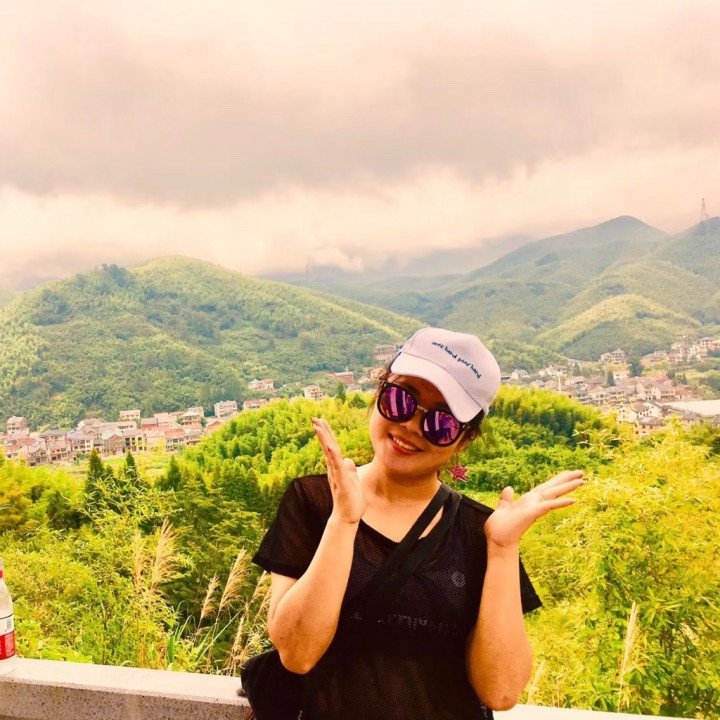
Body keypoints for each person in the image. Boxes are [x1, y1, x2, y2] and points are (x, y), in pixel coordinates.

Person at [252, 327, 584, 719]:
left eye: (441, 422)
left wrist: (502, 549)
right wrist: (343, 521)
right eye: (401, 400)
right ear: (378, 392)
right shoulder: (314, 501)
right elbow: (297, 654)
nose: (411, 425)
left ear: (463, 441)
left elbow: (501, 691)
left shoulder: (482, 531)